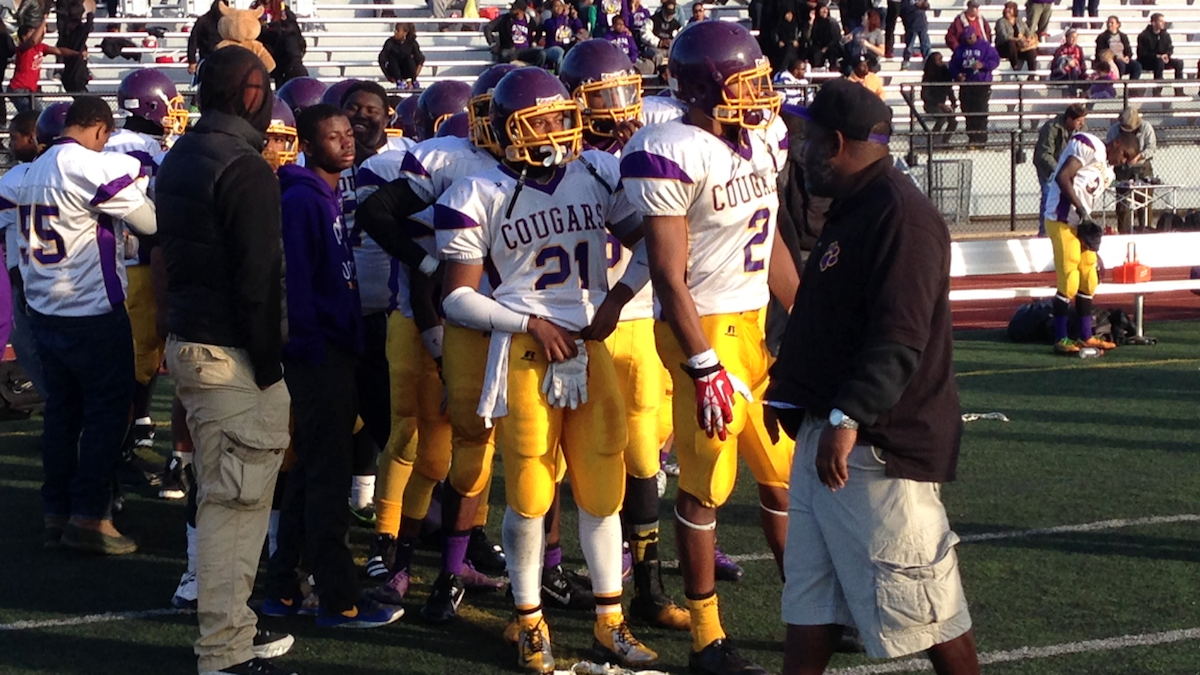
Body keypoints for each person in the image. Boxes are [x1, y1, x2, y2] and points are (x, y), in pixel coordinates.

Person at [437, 66, 657, 673]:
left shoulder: (594, 171)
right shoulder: (475, 190)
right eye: (547, 119)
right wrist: (528, 322)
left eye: (564, 115)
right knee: (532, 493)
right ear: (512, 129)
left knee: (603, 491)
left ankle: (610, 622)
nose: (562, 127)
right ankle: (530, 619)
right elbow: (455, 298)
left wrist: (614, 300)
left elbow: (650, 244)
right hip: (527, 352)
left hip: (588, 344)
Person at [767, 77, 980, 675]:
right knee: (809, 604)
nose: (799, 153)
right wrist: (794, 396)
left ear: (836, 143)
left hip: (876, 448)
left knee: (931, 610)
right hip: (830, 438)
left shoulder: (899, 216)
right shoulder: (857, 208)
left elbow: (899, 335)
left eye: (807, 140)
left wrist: (847, 415)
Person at [621, 21, 796, 675]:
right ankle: (707, 636)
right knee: (705, 486)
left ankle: (806, 606)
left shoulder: (766, 136)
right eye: (744, 78)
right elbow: (668, 273)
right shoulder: (668, 147)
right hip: (703, 328)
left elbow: (772, 238)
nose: (760, 90)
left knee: (782, 475)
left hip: (754, 326)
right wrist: (701, 364)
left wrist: (803, 319)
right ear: (702, 87)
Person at [353, 65, 516, 619]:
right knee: (416, 439)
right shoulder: (440, 158)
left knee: (471, 448)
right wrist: (429, 274)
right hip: (425, 316)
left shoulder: (535, 165)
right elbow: (382, 219)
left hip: (491, 324)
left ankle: (458, 550)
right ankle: (388, 549)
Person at [156, 46, 295, 675]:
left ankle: (234, 630)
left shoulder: (183, 153)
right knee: (235, 512)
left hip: (190, 341)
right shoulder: (244, 165)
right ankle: (225, 652)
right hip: (231, 355)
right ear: (250, 94)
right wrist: (270, 370)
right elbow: (260, 281)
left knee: (223, 502)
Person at [557, 37, 692, 631]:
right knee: (564, 462)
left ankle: (649, 585)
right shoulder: (559, 162)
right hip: (582, 324)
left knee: (643, 461)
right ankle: (554, 570)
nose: (617, 104)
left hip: (634, 320)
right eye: (602, 93)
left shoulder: (646, 147)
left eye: (623, 88)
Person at [263, 102, 404, 630]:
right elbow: (296, 284)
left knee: (308, 478)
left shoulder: (321, 193)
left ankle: (285, 587)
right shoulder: (302, 198)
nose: (345, 142)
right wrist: (313, 348)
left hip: (330, 352)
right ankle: (337, 597)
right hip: (318, 357)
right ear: (307, 142)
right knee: (325, 479)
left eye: (348, 134)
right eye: (332, 136)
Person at [18, 96, 155, 559]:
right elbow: (149, 222)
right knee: (105, 416)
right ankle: (90, 516)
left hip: (44, 308)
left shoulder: (32, 168)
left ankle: (55, 513)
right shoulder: (87, 164)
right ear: (98, 129)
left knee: (61, 415)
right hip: (90, 310)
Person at [108, 68, 189, 494]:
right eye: (171, 104)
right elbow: (144, 213)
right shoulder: (131, 148)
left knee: (149, 358)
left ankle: (135, 426)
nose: (176, 113)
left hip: (139, 264)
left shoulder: (133, 143)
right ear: (152, 105)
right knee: (139, 361)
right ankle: (116, 456)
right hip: (139, 265)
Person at [1044, 130, 1134, 354]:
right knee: (1070, 278)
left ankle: (1086, 336)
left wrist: (1086, 217)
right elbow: (1063, 176)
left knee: (1089, 277)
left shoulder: (1108, 173)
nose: (1123, 161)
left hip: (1079, 222)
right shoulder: (1091, 146)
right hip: (1061, 217)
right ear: (1116, 143)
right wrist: (1081, 210)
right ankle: (1061, 338)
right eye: (1124, 154)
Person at [0, 110, 45, 398]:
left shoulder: (16, 177)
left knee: (30, 346)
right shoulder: (73, 169)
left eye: (15, 138)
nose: (12, 146)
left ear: (32, 137)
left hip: (28, 278)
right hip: (75, 277)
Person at [1034, 103, 1087, 237]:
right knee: (1048, 197)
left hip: (1070, 169)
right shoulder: (1050, 128)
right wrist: (1058, 171)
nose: (1082, 124)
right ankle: (1044, 232)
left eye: (1083, 121)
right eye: (1079, 121)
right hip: (1048, 169)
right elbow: (1044, 153)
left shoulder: (1082, 130)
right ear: (1070, 118)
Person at [10, 21, 83, 114]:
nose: (37, 34)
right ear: (24, 37)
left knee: (38, 114)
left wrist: (76, 54)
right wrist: (43, 21)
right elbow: (32, 41)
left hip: (30, 90)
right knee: (30, 115)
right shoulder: (23, 48)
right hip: (18, 89)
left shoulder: (41, 47)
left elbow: (59, 51)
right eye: (32, 32)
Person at [1105, 106, 1156, 234]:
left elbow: (1151, 148)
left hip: (1142, 167)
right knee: (1123, 203)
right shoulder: (1114, 130)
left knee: (1144, 201)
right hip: (1122, 169)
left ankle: (1145, 229)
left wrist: (1138, 157)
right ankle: (1124, 231)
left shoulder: (1146, 128)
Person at [949, 27, 998, 147]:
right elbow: (953, 65)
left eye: (970, 37)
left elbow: (995, 60)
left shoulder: (985, 46)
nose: (969, 40)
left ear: (975, 35)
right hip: (966, 84)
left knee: (980, 111)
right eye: (967, 38)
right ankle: (972, 138)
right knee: (967, 110)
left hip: (981, 84)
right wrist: (957, 75)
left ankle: (980, 140)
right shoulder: (961, 48)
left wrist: (983, 65)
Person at [490, 0, 546, 66]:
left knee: (541, 54)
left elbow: (539, 29)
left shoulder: (529, 20)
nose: (511, 9)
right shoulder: (505, 18)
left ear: (521, 11)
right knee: (503, 54)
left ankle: (533, 71)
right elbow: (487, 27)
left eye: (513, 8)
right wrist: (493, 43)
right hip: (510, 50)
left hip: (525, 50)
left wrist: (535, 41)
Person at [1136, 14, 1184, 91]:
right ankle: (1157, 91)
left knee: (1179, 63)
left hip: (1162, 59)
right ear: (1153, 23)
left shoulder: (1165, 34)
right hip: (1148, 61)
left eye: (1163, 21)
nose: (1163, 23)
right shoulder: (1144, 35)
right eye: (1161, 21)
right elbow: (1142, 53)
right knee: (1159, 62)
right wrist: (1156, 56)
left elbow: (1170, 48)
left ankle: (1179, 90)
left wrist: (1167, 55)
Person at [921, 51, 957, 145]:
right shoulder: (928, 75)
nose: (941, 61)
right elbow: (925, 95)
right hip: (931, 104)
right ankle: (932, 142)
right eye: (939, 59)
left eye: (942, 59)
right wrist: (939, 104)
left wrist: (953, 101)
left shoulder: (944, 72)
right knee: (942, 118)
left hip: (941, 104)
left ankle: (945, 141)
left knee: (953, 121)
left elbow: (948, 88)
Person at [187, 0, 229, 77]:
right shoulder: (203, 21)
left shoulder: (228, 22)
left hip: (225, 59)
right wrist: (192, 61)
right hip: (206, 59)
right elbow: (193, 40)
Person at [994, 1, 1037, 75]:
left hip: (1019, 48)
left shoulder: (1019, 20)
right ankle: (1015, 66)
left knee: (1031, 52)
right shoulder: (1000, 22)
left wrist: (1028, 39)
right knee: (1011, 43)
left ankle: (1032, 74)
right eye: (1006, 8)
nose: (1007, 10)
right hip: (1005, 48)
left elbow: (1028, 31)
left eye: (1010, 8)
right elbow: (1004, 36)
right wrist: (1018, 39)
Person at [378, 23, 425, 88]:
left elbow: (420, 59)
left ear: (405, 33)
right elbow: (381, 59)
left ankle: (413, 81)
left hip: (406, 70)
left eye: (398, 30)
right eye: (395, 30)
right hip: (394, 71)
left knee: (409, 58)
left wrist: (414, 75)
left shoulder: (412, 43)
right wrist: (388, 77)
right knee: (392, 58)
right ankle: (399, 81)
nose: (395, 32)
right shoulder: (390, 42)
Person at [542, 1, 584, 66]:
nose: (558, 8)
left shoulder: (568, 21)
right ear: (552, 8)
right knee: (560, 51)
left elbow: (579, 28)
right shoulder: (549, 22)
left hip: (567, 46)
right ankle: (561, 73)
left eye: (560, 6)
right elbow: (554, 28)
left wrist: (575, 17)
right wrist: (562, 16)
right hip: (552, 48)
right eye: (556, 6)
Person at [807, 1, 841, 69]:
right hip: (817, 46)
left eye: (826, 9)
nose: (824, 11)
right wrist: (811, 23)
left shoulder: (832, 22)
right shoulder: (815, 22)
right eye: (822, 9)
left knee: (832, 51)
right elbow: (808, 37)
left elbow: (836, 38)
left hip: (831, 46)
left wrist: (826, 48)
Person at [1050, 29, 1086, 94]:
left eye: (1076, 37)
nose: (1074, 39)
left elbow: (1082, 65)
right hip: (1062, 75)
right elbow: (1055, 67)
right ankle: (1073, 96)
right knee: (1072, 70)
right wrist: (1066, 63)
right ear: (1067, 38)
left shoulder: (1079, 49)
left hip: (1076, 74)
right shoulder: (1060, 50)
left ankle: (1083, 96)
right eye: (1072, 37)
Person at [899, 0, 930, 65]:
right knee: (909, 46)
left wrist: (925, 4)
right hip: (911, 25)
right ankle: (906, 63)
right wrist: (916, 5)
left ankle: (928, 62)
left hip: (922, 24)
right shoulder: (905, 1)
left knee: (925, 45)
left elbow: (927, 6)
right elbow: (903, 9)